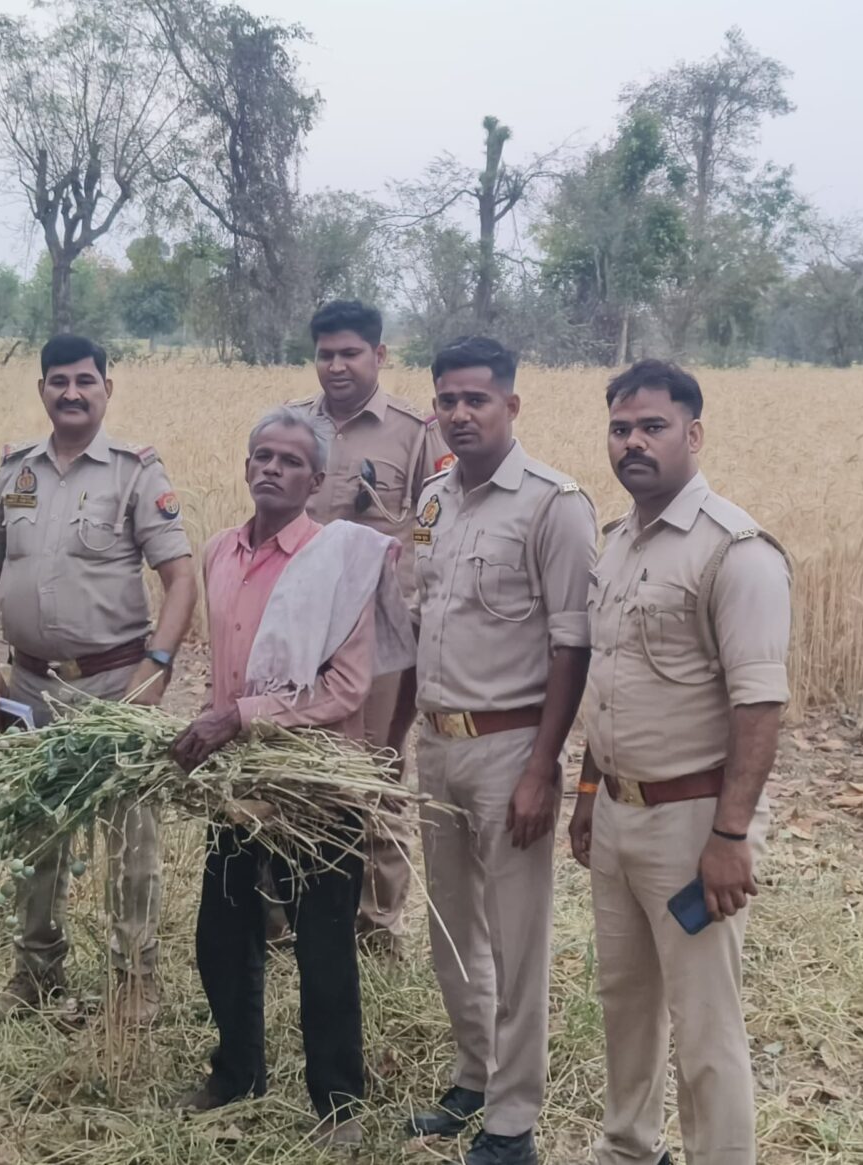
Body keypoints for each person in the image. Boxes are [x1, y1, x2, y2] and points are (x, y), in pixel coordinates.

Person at [569, 360, 791, 1165]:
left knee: (705, 1024)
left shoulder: (736, 552)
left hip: (693, 823)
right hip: (618, 811)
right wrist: (588, 792)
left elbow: (759, 705)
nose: (633, 442)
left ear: (693, 434)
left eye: (652, 426)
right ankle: (628, 1148)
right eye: (620, 428)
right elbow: (608, 683)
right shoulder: (616, 544)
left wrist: (729, 836)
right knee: (624, 999)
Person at [174, 408, 410, 1151]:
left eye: (290, 460)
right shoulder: (219, 551)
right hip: (239, 781)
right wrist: (215, 726)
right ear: (247, 467)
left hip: (315, 785)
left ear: (316, 480)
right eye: (262, 456)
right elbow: (223, 671)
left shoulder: (341, 561)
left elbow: (347, 687)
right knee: (222, 932)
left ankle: (338, 1102)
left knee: (323, 945)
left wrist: (240, 716)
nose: (272, 468)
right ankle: (237, 1072)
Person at [0, 334, 197, 1027]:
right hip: (30, 688)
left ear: (106, 389)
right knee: (36, 835)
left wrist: (157, 667)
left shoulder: (135, 472)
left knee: (131, 843)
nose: (71, 393)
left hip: (115, 688)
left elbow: (182, 579)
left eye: (85, 381)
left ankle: (134, 983)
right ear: (42, 389)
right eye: (58, 381)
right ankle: (35, 972)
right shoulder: (15, 472)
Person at [403, 338, 597, 1165]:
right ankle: (472, 1075)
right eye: (447, 399)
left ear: (511, 406)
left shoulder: (555, 504)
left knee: (517, 940)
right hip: (437, 742)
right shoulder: (433, 499)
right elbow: (418, 620)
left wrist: (542, 768)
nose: (460, 413)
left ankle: (513, 1120)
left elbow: (572, 644)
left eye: (477, 399)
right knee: (452, 926)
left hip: (510, 746)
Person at [285, 299, 447, 953]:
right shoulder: (294, 426)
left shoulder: (415, 433)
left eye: (350, 353)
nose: (336, 365)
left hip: (382, 634)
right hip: (303, 633)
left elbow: (438, 530)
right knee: (296, 769)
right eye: (325, 354)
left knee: (377, 774)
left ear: (379, 355)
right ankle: (298, 916)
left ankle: (378, 926)